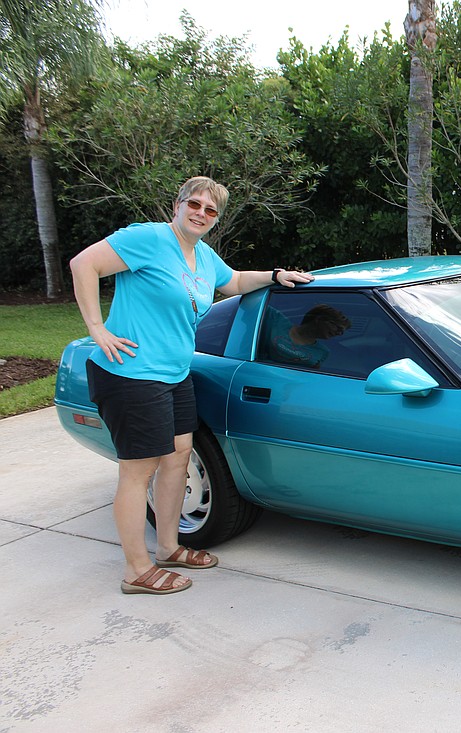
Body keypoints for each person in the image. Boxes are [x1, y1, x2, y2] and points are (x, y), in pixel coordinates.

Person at [70, 176, 314, 596]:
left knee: (179, 456)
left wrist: (275, 276)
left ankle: (168, 546)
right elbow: (83, 265)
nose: (201, 213)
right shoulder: (148, 239)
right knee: (138, 470)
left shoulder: (202, 255)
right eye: (195, 204)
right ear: (178, 205)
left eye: (210, 210)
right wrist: (97, 329)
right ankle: (136, 570)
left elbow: (234, 282)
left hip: (174, 374)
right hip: (131, 373)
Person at [261, 303, 351, 368]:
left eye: (342, 332)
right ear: (320, 319)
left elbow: (312, 376)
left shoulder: (323, 352)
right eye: (338, 328)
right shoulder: (277, 320)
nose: (339, 333)